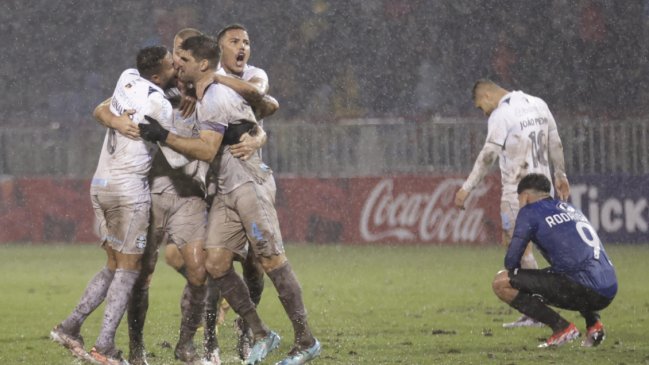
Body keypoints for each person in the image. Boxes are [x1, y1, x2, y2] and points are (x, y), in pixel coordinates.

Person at [139, 34, 321, 365]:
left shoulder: (217, 95)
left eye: (183, 57)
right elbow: (256, 112)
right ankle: (261, 333)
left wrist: (163, 136)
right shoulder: (198, 93)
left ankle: (306, 340)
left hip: (249, 182)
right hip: (224, 187)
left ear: (202, 63)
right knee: (216, 263)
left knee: (270, 260)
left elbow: (213, 145)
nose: (176, 62)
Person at [50, 46, 177, 365]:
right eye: (171, 62)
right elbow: (175, 151)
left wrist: (114, 120)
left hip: (101, 184)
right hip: (128, 191)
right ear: (159, 75)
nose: (177, 63)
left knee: (113, 264)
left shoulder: (127, 77)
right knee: (129, 270)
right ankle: (105, 346)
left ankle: (70, 327)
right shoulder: (160, 103)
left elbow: (101, 108)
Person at [454, 79, 570, 328]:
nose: (483, 112)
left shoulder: (501, 114)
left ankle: (537, 312)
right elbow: (555, 142)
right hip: (544, 188)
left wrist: (466, 188)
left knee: (518, 247)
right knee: (546, 247)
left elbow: (488, 155)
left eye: (480, 106)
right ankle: (579, 299)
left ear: (486, 94)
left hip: (517, 193)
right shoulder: (538, 104)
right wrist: (561, 175)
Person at [492, 173, 617, 348]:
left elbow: (512, 260)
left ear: (526, 196)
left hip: (582, 287)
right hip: (608, 288)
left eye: (519, 198)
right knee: (574, 268)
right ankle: (594, 324)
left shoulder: (529, 211)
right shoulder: (570, 208)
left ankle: (562, 327)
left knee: (501, 282)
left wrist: (523, 281)